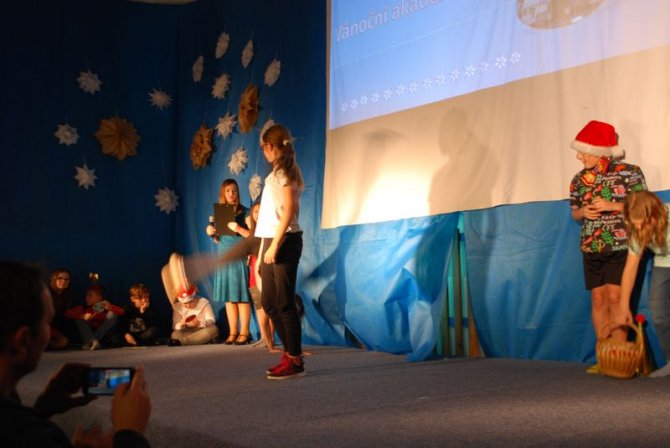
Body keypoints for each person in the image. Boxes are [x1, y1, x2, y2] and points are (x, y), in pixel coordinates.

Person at [163, 123, 306, 379]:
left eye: (263, 148)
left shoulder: (285, 173)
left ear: (268, 147)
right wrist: (266, 247)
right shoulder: (275, 174)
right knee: (269, 303)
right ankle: (290, 355)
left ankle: (294, 360)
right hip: (266, 239)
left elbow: (289, 211)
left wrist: (274, 245)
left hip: (283, 240)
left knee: (283, 303)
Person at [0, 260, 150, 447]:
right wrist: (130, 433)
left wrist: (42, 410)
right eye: (47, 323)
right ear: (23, 340)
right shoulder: (36, 435)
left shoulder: (12, 407)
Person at [568, 120, 647, 373]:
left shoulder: (630, 172)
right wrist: (583, 212)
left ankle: (620, 356)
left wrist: (612, 206)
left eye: (584, 151)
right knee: (598, 299)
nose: (579, 157)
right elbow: (574, 212)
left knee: (616, 298)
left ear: (601, 151)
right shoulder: (579, 179)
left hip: (621, 245)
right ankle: (605, 357)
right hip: (591, 246)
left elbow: (644, 208)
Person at [619, 191, 670, 377]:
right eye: (635, 224)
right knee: (657, 310)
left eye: (643, 223)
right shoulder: (637, 230)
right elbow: (630, 267)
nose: (640, 228)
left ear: (657, 213)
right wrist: (623, 306)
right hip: (663, 262)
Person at [206, 179, 253, 345]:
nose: (231, 194)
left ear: (238, 192)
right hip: (224, 256)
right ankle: (233, 332)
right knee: (229, 297)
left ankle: (245, 332)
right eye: (228, 191)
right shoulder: (221, 212)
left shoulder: (245, 212)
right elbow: (219, 239)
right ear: (223, 193)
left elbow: (253, 235)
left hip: (239, 256)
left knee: (241, 296)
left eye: (234, 190)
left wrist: (239, 228)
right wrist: (211, 233)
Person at [246, 202, 279, 352]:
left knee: (270, 308)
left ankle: (271, 339)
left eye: (261, 211)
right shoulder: (252, 232)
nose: (258, 214)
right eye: (255, 211)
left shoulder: (269, 231)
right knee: (260, 309)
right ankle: (265, 339)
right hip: (254, 274)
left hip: (265, 273)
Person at [65, 283, 124, 350]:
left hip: (103, 336)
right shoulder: (84, 307)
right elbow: (67, 313)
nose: (87, 298)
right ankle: (92, 341)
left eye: (90, 296)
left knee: (112, 314)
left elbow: (122, 311)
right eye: (86, 295)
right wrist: (83, 316)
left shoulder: (105, 306)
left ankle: (93, 342)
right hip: (88, 335)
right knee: (79, 318)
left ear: (99, 297)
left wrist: (109, 307)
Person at [48, 268, 73, 350]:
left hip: (54, 326)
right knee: (63, 341)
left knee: (63, 342)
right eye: (60, 278)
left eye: (66, 279)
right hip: (42, 325)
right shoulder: (47, 293)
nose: (63, 281)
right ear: (54, 279)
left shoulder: (65, 296)